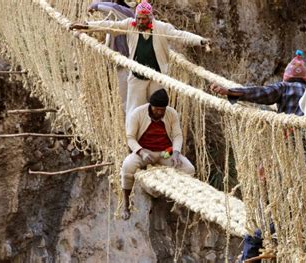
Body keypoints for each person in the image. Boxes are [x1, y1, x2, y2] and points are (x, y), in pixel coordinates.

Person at [70, 0, 211, 116]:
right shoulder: (130, 24)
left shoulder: (161, 28)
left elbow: (180, 35)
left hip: (157, 76)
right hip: (137, 75)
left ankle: (154, 141)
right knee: (134, 111)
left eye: (144, 19)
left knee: (157, 108)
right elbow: (110, 25)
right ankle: (134, 142)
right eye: (138, 18)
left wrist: (200, 41)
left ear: (150, 18)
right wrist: (86, 26)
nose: (140, 21)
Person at [120, 89, 195, 219]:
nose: (160, 112)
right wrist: (141, 152)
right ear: (150, 106)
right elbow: (130, 138)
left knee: (189, 169)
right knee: (127, 166)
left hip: (165, 152)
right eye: (157, 109)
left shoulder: (172, 114)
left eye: (162, 110)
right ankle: (125, 204)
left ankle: (178, 202)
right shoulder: (137, 114)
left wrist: (176, 152)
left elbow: (177, 135)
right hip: (144, 152)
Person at [210, 50, 306, 116]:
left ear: (286, 76)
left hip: (291, 136)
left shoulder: (284, 87)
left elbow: (262, 93)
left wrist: (230, 92)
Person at [87, 0, 134, 113]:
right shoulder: (116, 17)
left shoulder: (128, 14)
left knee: (126, 103)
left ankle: (128, 128)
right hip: (117, 64)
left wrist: (94, 6)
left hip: (127, 66)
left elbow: (112, 8)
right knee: (120, 100)